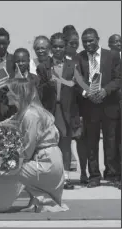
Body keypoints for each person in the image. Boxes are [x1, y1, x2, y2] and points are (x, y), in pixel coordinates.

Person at [0, 78, 68, 213]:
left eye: (9, 91)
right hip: (49, 160)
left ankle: (34, 199)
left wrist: (1, 157)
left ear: (18, 94)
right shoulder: (25, 112)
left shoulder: (30, 115)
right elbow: (5, 124)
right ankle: (37, 199)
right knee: (4, 164)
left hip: (46, 162)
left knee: (1, 167)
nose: (7, 94)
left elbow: (28, 150)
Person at [77, 28, 121, 188]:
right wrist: (87, 93)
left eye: (91, 40)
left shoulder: (113, 55)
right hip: (90, 106)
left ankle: (114, 174)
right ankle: (94, 176)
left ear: (98, 39)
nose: (88, 44)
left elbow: (118, 78)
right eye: (85, 41)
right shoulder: (79, 57)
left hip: (109, 105)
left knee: (111, 142)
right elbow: (77, 79)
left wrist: (105, 91)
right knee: (91, 143)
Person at [36, 32, 81, 190]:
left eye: (61, 46)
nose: (58, 49)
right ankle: (51, 176)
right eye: (54, 46)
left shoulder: (72, 66)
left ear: (65, 47)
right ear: (50, 48)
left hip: (67, 110)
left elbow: (77, 89)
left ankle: (66, 177)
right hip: (50, 109)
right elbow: (39, 90)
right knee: (49, 144)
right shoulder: (43, 67)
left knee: (66, 144)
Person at [63, 28, 89, 182]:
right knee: (64, 141)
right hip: (64, 106)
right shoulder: (58, 59)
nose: (75, 46)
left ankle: (83, 172)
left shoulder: (81, 59)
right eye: (71, 43)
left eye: (76, 42)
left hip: (80, 105)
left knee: (81, 139)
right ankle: (63, 175)